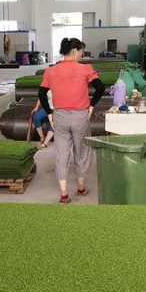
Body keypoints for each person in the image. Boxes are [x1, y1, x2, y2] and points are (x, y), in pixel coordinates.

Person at [38, 38, 106, 203]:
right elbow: (100, 88)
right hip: (80, 117)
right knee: (81, 152)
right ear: (75, 51)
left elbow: (41, 93)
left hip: (59, 117)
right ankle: (81, 187)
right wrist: (91, 106)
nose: (82, 54)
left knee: (62, 154)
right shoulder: (85, 69)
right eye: (81, 51)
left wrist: (49, 113)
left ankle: (63, 193)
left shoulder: (50, 71)